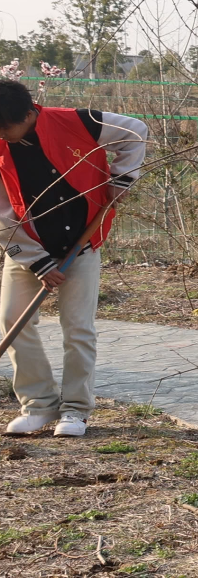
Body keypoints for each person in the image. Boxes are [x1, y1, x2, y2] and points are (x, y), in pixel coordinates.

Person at [0, 80, 147, 439]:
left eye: (5, 128)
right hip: (26, 244)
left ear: (30, 113)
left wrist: (122, 178)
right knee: (12, 321)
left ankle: (76, 409)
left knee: (77, 327)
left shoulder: (80, 121)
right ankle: (38, 404)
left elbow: (136, 131)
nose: (2, 135)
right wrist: (37, 262)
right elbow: (2, 213)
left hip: (82, 242)